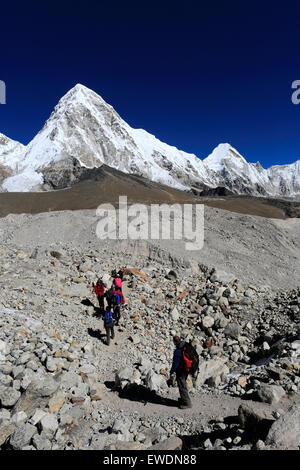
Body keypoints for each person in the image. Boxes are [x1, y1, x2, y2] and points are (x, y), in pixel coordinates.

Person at [167, 336, 192, 409]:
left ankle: (187, 403)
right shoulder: (185, 346)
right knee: (183, 385)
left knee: (182, 386)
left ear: (174, 342)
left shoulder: (177, 351)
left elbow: (175, 364)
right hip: (186, 370)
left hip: (181, 371)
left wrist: (172, 372)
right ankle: (183, 399)